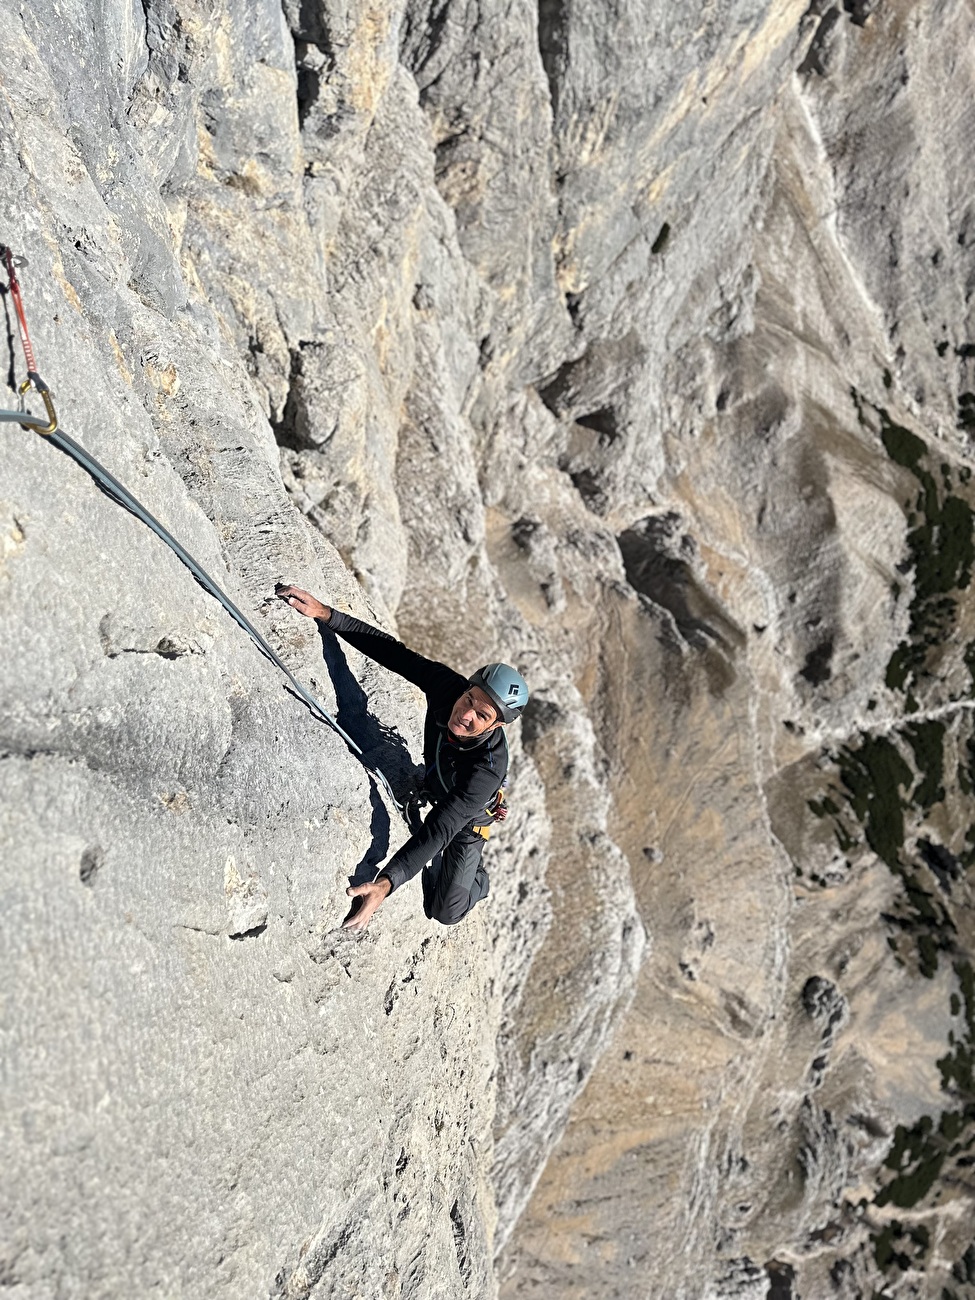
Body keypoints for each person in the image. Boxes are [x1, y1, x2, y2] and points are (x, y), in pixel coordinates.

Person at [276, 586, 529, 931]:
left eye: (481, 715)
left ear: (497, 725)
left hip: (465, 821)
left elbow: (440, 828)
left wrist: (386, 883)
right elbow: (394, 654)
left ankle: (478, 879)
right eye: (470, 699)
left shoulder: (487, 768)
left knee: (445, 910)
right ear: (468, 687)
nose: (466, 713)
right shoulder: (448, 687)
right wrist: (327, 615)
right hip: (440, 785)